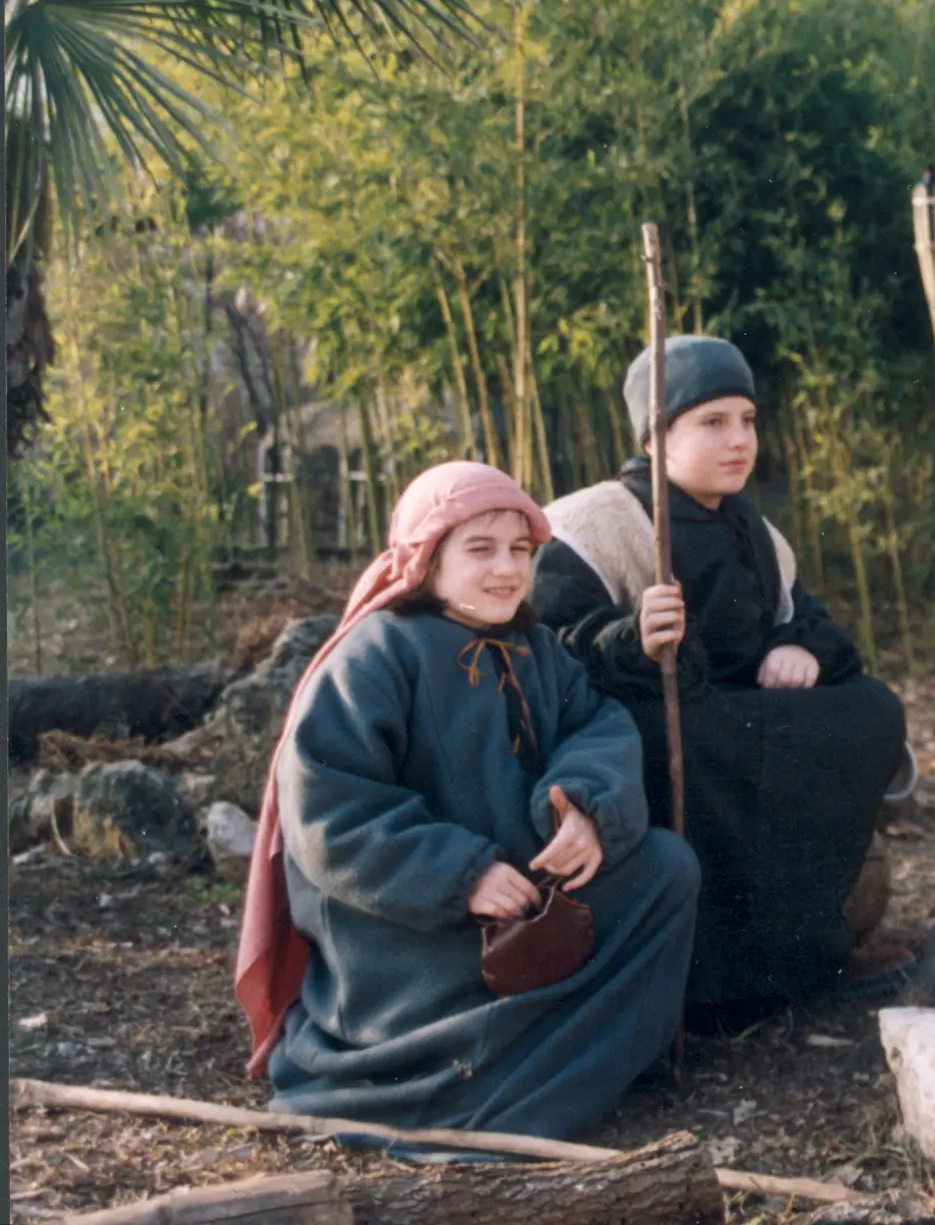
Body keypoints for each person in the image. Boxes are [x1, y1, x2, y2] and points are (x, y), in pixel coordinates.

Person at [233, 462, 699, 1139]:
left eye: (520, 550)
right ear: (427, 560)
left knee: (665, 868)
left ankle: (559, 1068)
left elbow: (595, 727)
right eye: (479, 550)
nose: (506, 569)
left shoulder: (535, 646)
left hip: (523, 904)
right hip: (411, 936)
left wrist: (587, 810)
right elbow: (331, 813)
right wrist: (464, 873)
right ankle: (517, 1091)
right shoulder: (374, 656)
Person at [530, 336, 912, 1018]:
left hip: (745, 717)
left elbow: (814, 622)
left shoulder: (755, 532)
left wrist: (800, 648)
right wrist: (630, 637)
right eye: (712, 422)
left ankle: (807, 950)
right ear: (655, 437)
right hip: (651, 732)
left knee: (872, 711)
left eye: (748, 420)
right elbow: (546, 648)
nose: (740, 440)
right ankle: (707, 984)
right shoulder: (594, 523)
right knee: (687, 740)